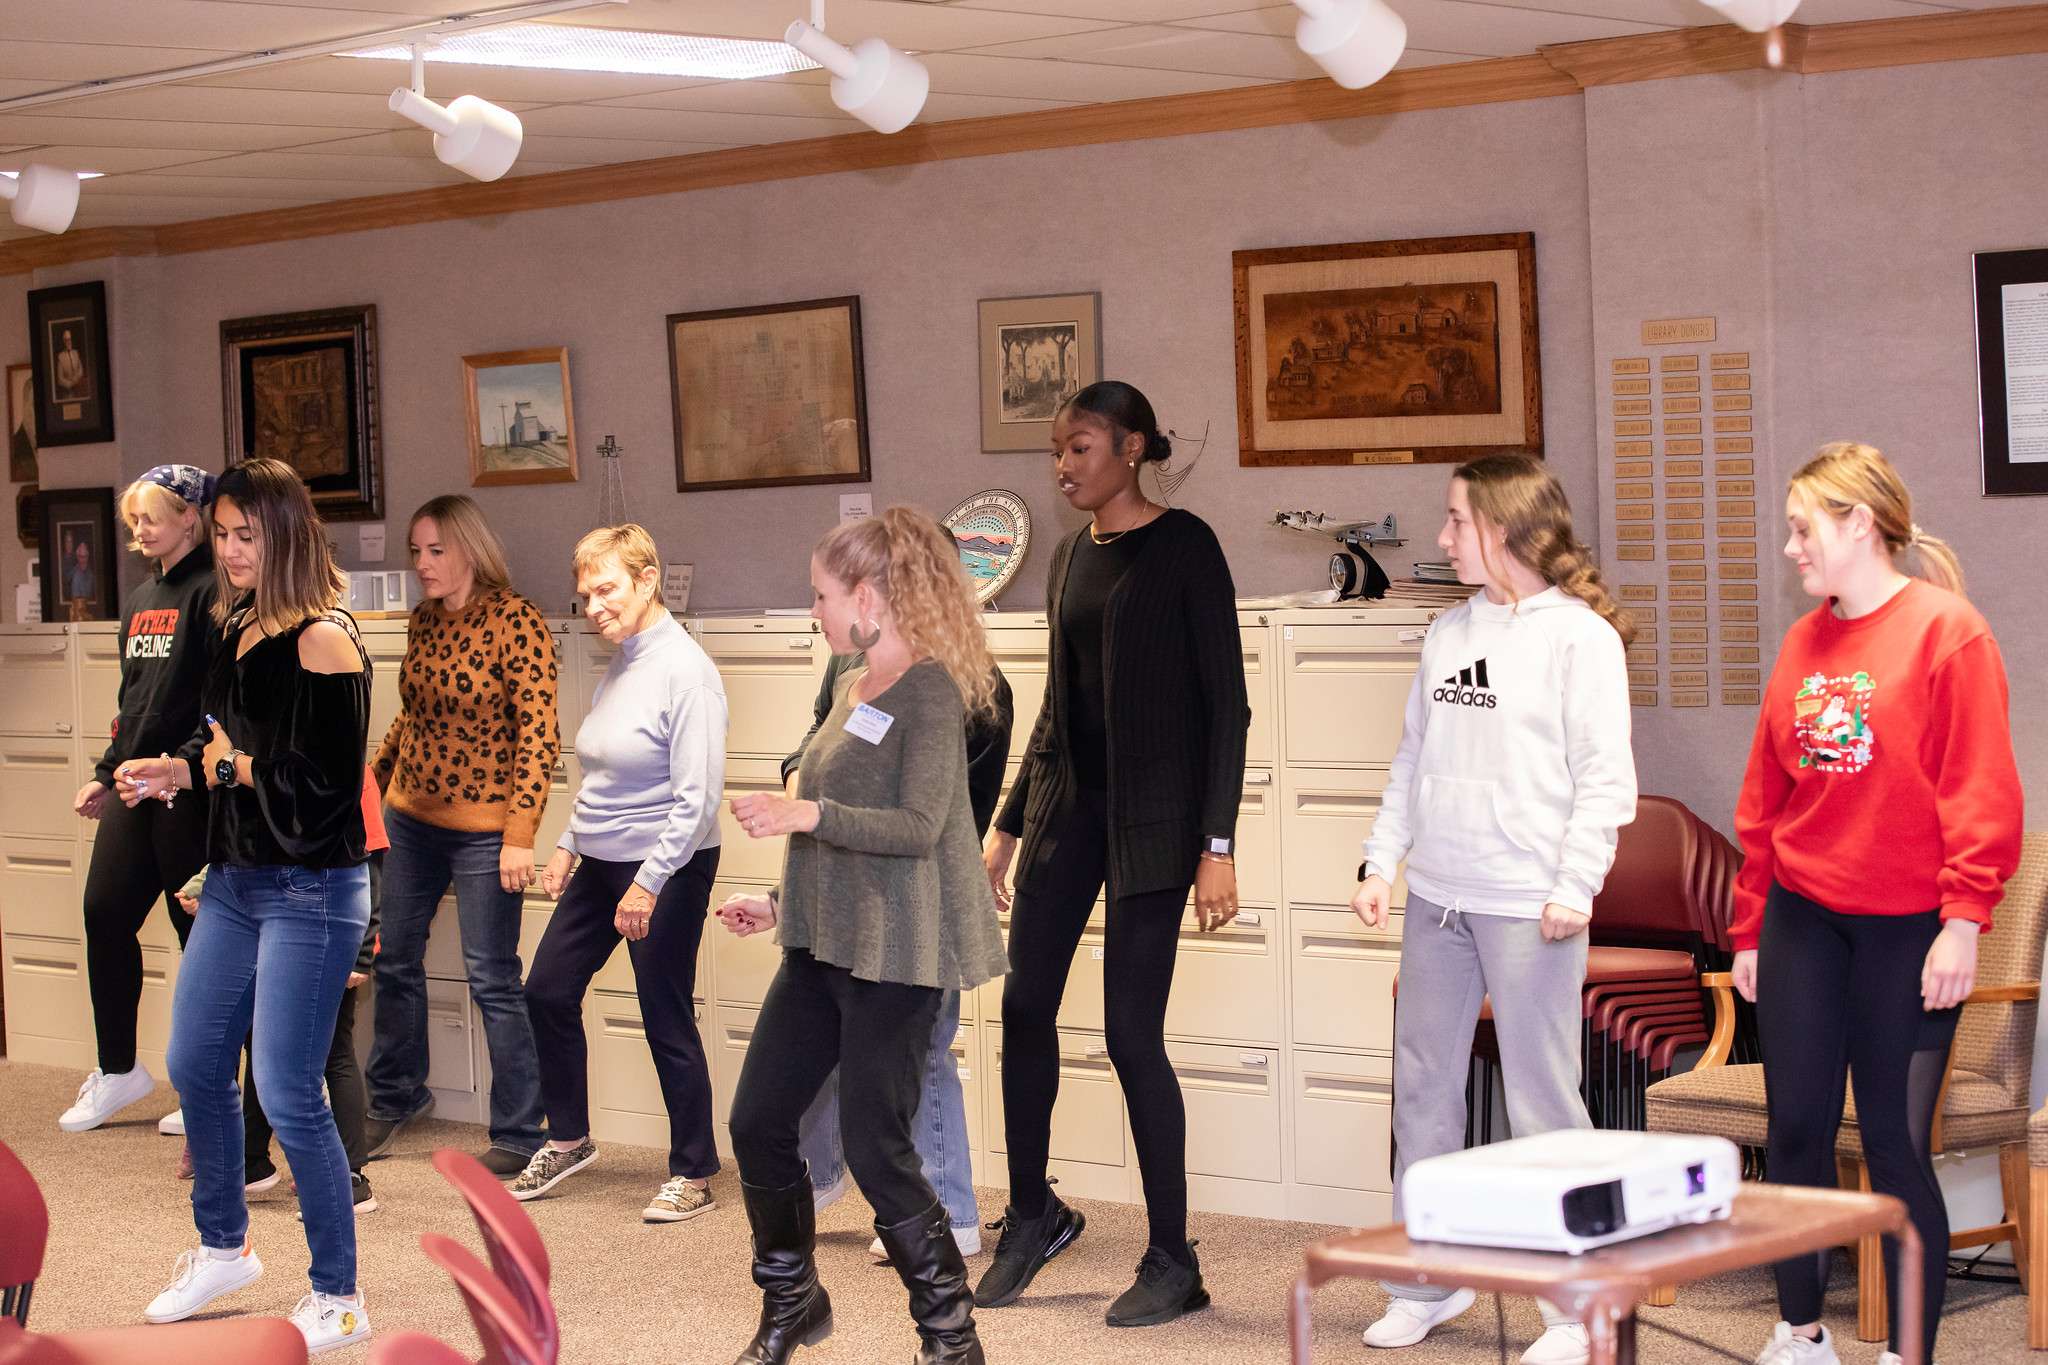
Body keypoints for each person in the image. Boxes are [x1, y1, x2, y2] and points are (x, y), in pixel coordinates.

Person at [1730, 443, 2021, 1365]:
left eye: (1803, 528)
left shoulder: (1949, 631)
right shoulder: (1803, 640)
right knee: (1798, 1130)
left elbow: (1981, 788)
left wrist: (1966, 918)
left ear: (1861, 523)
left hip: (1909, 931)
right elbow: (1765, 795)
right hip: (1804, 919)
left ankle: (1908, 1353)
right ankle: (1800, 1331)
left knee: (1894, 1144)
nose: (1791, 548)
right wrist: (1750, 924)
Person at [1350, 453, 1636, 1365]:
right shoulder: (1447, 632)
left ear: (1507, 528)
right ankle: (1427, 1282)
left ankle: (1576, 1306)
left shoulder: (1578, 638)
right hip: (1438, 896)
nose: (1442, 538)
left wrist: (1574, 884)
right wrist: (1381, 860)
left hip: (1531, 904)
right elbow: (1412, 761)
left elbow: (1606, 782)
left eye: (1456, 521)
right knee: (1423, 1096)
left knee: (1542, 1102)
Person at [976, 380, 1247, 1328]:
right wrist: (1008, 825)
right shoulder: (1065, 558)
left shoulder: (1186, 548)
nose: (1063, 464)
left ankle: (1174, 1257)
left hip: (1157, 826)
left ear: (1131, 447)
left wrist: (1219, 843)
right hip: (1069, 811)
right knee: (1021, 1005)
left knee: (1132, 1035)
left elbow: (1228, 706)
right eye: (1057, 450)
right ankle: (1034, 1213)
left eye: (1080, 447)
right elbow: (1056, 707)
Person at [717, 507, 1009, 1365]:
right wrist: (779, 902)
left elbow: (918, 825)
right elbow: (839, 837)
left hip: (901, 953)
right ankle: (793, 1300)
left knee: (877, 1148)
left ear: (871, 596)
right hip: (822, 942)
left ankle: (951, 1338)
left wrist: (804, 808)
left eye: (821, 594)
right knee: (758, 1120)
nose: (812, 608)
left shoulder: (930, 690)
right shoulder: (852, 683)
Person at [115, 457, 375, 1354]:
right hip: (235, 878)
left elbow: (325, 789)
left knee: (288, 1090)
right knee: (192, 1064)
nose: (230, 550)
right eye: (222, 533)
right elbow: (229, 749)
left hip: (315, 887)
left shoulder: (325, 639)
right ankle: (224, 1245)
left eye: (246, 534)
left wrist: (222, 766)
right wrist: (180, 769)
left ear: (286, 533)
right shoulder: (236, 623)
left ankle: (340, 1293)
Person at [512, 524, 727, 1223]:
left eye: (606, 588)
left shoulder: (685, 669)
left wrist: (649, 881)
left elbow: (696, 799)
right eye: (585, 594)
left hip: (668, 862)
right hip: (601, 861)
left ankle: (694, 1171)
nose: (593, 605)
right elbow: (601, 773)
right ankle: (569, 1136)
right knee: (545, 989)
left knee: (663, 1010)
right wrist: (570, 844)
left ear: (646, 580)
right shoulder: (625, 659)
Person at [780, 646, 1014, 1258]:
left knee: (925, 1049)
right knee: (827, 1041)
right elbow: (812, 740)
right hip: (842, 883)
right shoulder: (850, 669)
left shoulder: (975, 684)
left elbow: (939, 812)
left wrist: (827, 806)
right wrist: (804, 779)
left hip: (919, 891)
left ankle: (948, 1211)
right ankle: (825, 1177)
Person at [365, 494, 560, 1176]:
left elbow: (540, 736)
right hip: (410, 817)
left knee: (491, 976)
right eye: (416, 551)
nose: (422, 563)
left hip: (485, 831)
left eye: (434, 550)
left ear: (470, 550)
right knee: (394, 958)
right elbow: (410, 717)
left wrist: (520, 831)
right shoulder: (422, 621)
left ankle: (520, 1127)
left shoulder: (517, 620)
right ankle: (395, 1092)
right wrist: (370, 785)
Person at [59, 465, 218, 1136]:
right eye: (135, 521)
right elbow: (134, 701)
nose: (140, 529)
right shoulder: (140, 597)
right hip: (133, 781)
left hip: (184, 784)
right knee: (103, 911)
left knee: (199, 937)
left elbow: (214, 702)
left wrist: (180, 767)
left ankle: (207, 1084)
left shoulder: (216, 589)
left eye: (152, 516)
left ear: (190, 516)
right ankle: (120, 1068)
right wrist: (106, 769)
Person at [229, 769, 389, 1216]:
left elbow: (371, 865)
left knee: (335, 1051)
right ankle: (252, 1162)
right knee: (264, 1043)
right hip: (276, 927)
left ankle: (352, 1176)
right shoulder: (265, 768)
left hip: (330, 928)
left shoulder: (352, 771)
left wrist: (361, 952)